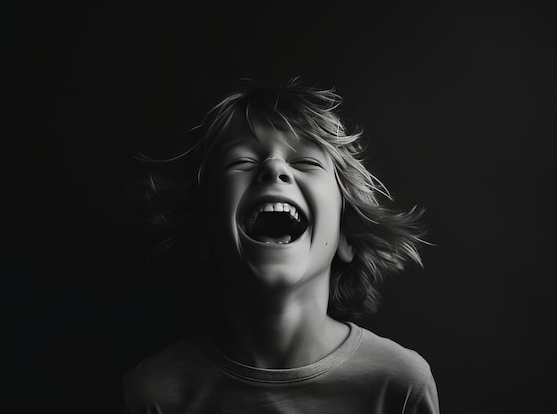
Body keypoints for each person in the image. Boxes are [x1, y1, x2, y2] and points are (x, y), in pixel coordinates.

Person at [122, 78, 439, 413]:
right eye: (240, 162)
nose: (273, 168)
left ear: (347, 236)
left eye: (306, 162)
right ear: (204, 232)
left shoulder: (398, 385)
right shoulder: (154, 394)